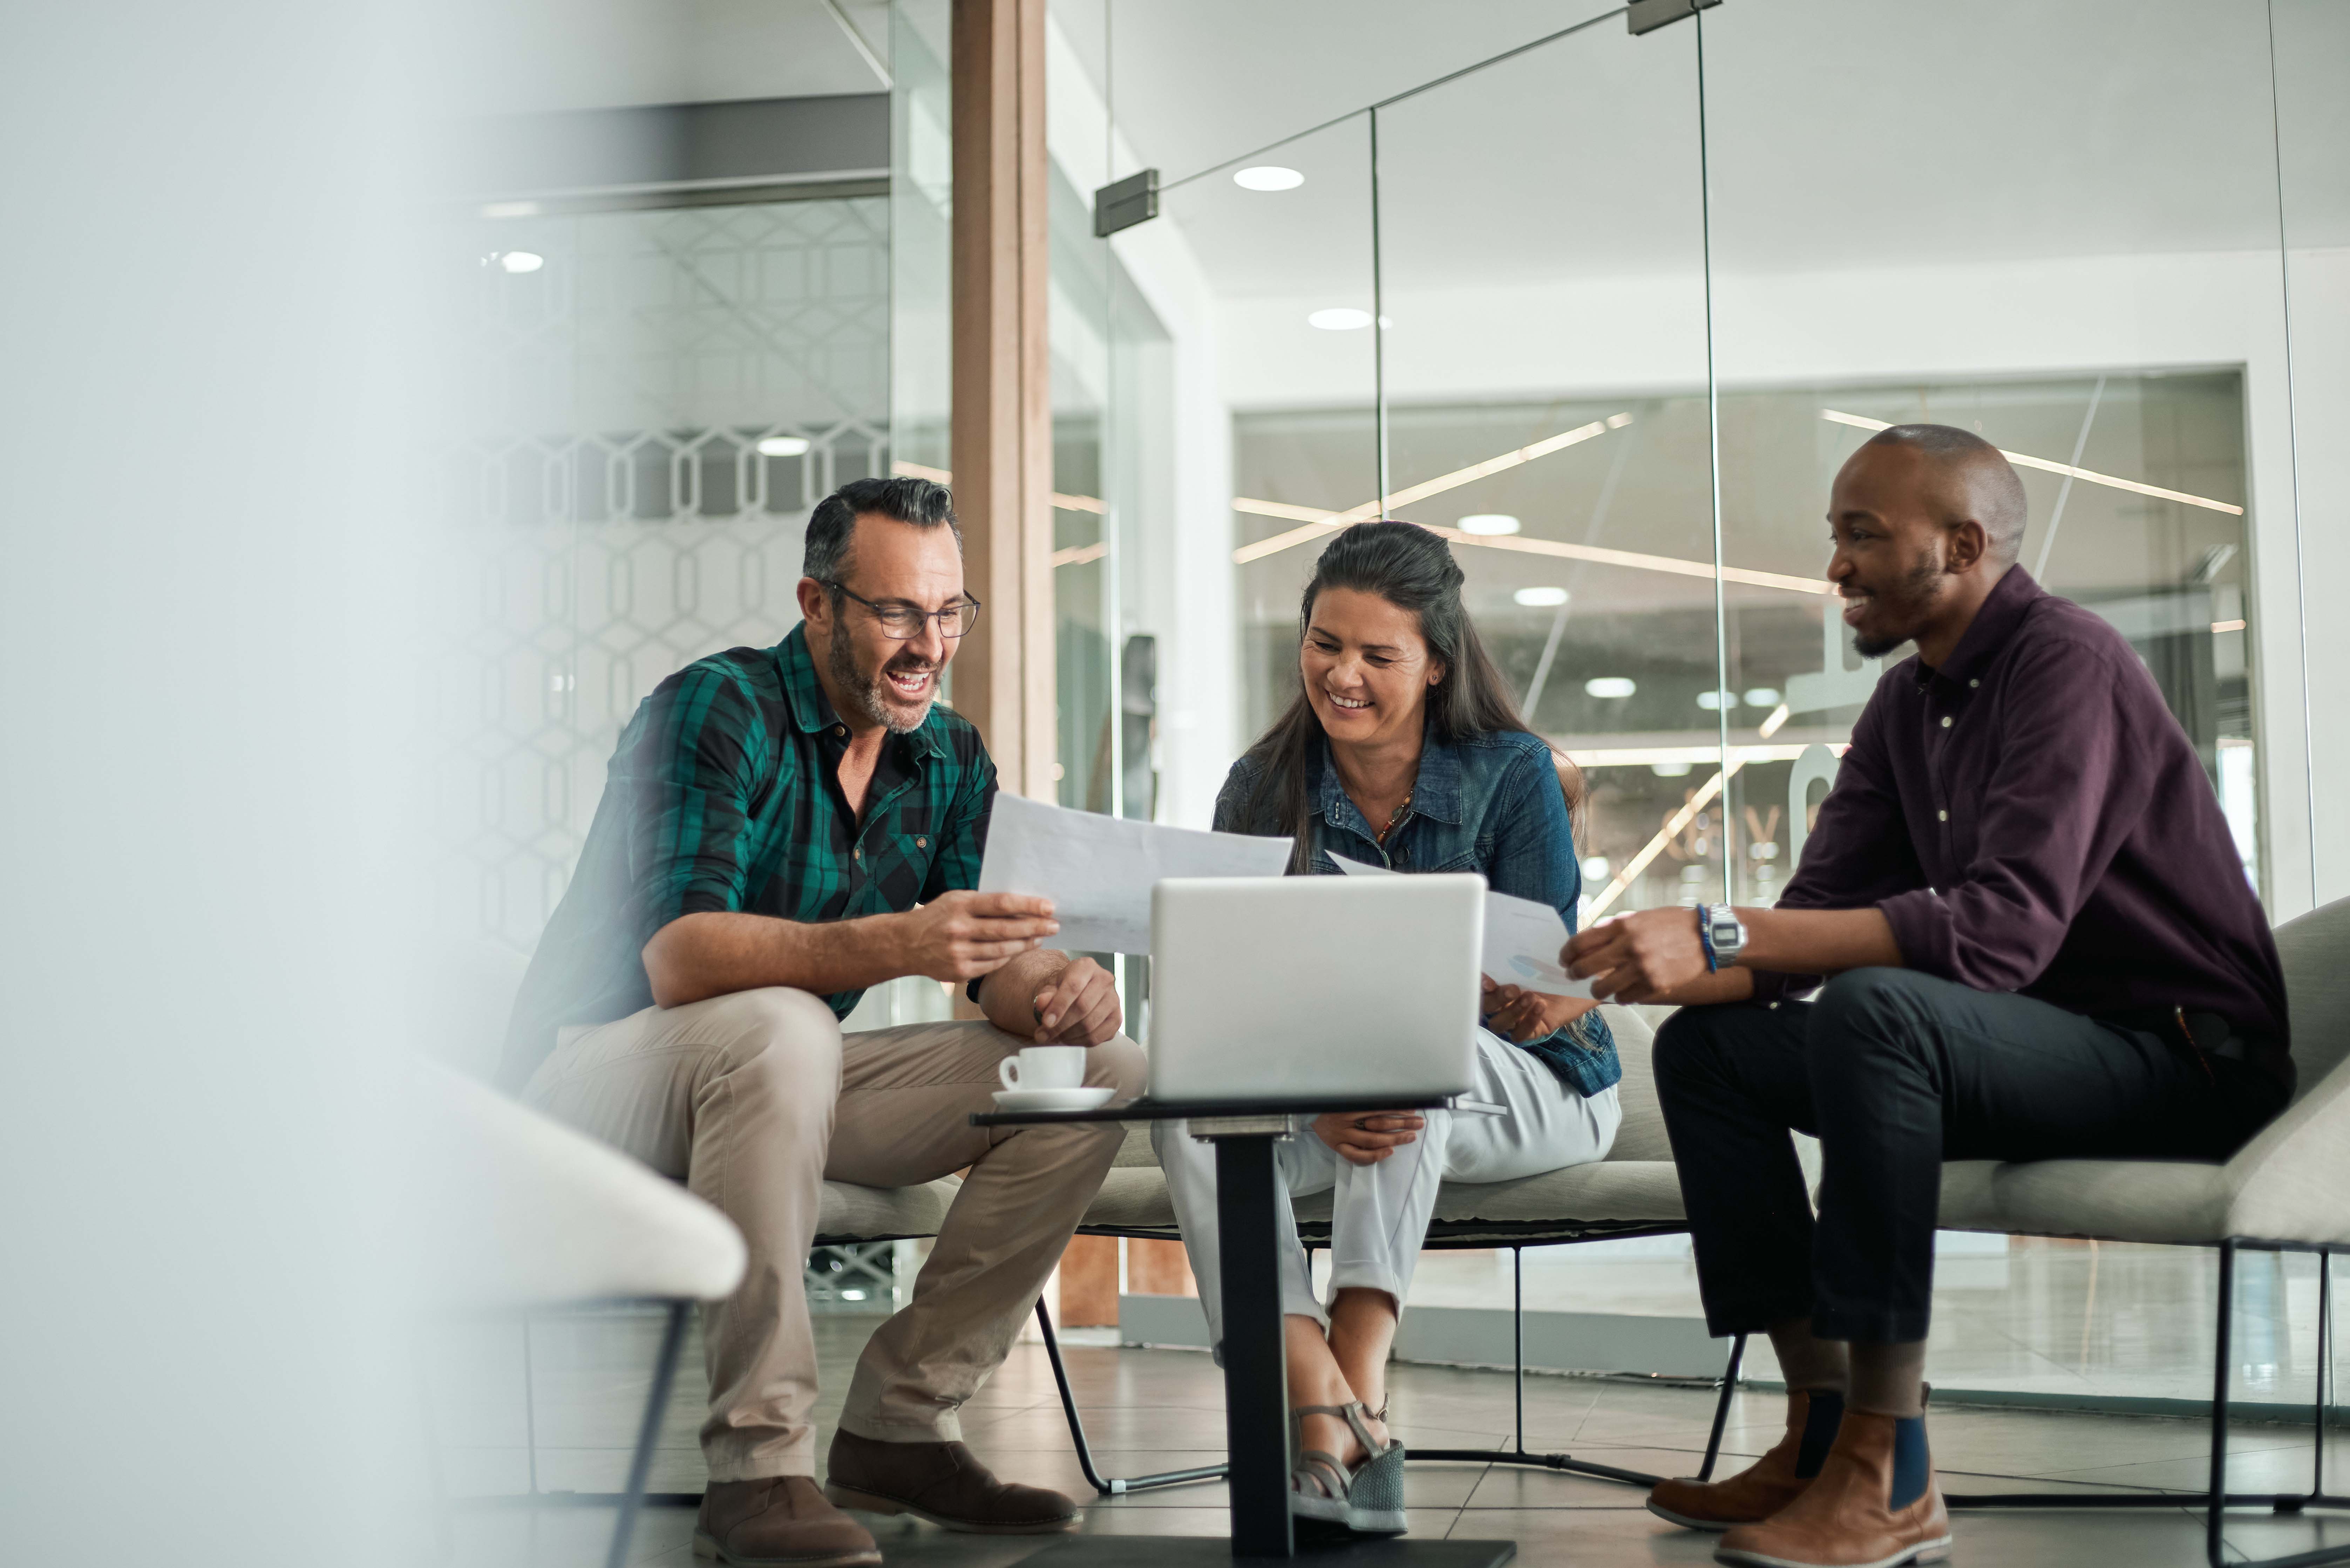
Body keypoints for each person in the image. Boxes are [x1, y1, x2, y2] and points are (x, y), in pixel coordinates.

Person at [1562, 425, 2293, 1568]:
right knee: (1710, 1050)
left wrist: (1718, 927)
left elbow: (1998, 932)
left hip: (2183, 1058)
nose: (1836, 567)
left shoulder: (2071, 664)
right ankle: (1815, 1432)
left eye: (1863, 534)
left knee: (1878, 1008)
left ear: (1960, 545)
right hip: (2030, 1044)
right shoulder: (1909, 707)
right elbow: (1806, 929)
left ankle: (1891, 1467)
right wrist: (1609, 983)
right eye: (1835, 536)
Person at [499, 476, 1145, 1567]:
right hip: (591, 1079)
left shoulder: (947, 756)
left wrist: (1056, 988)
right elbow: (681, 957)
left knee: (1102, 1068)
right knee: (789, 1025)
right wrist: (905, 939)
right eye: (897, 612)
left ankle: (899, 1423)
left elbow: (978, 955)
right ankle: (757, 1467)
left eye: (949, 614)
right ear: (817, 602)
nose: (926, 647)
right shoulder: (715, 708)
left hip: (771, 1072)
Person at [1154, 520, 1623, 1535]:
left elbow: (1560, 973)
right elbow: (1237, 990)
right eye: (1326, 644)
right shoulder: (1261, 785)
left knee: (1400, 1057)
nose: (1343, 675)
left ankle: (1348, 1388)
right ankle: (1322, 1407)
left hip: (1535, 1083)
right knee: (1186, 1110)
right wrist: (1311, 1096)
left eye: (1378, 654)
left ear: (1437, 663)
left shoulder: (1511, 772)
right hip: (1337, 1089)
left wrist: (1531, 993)